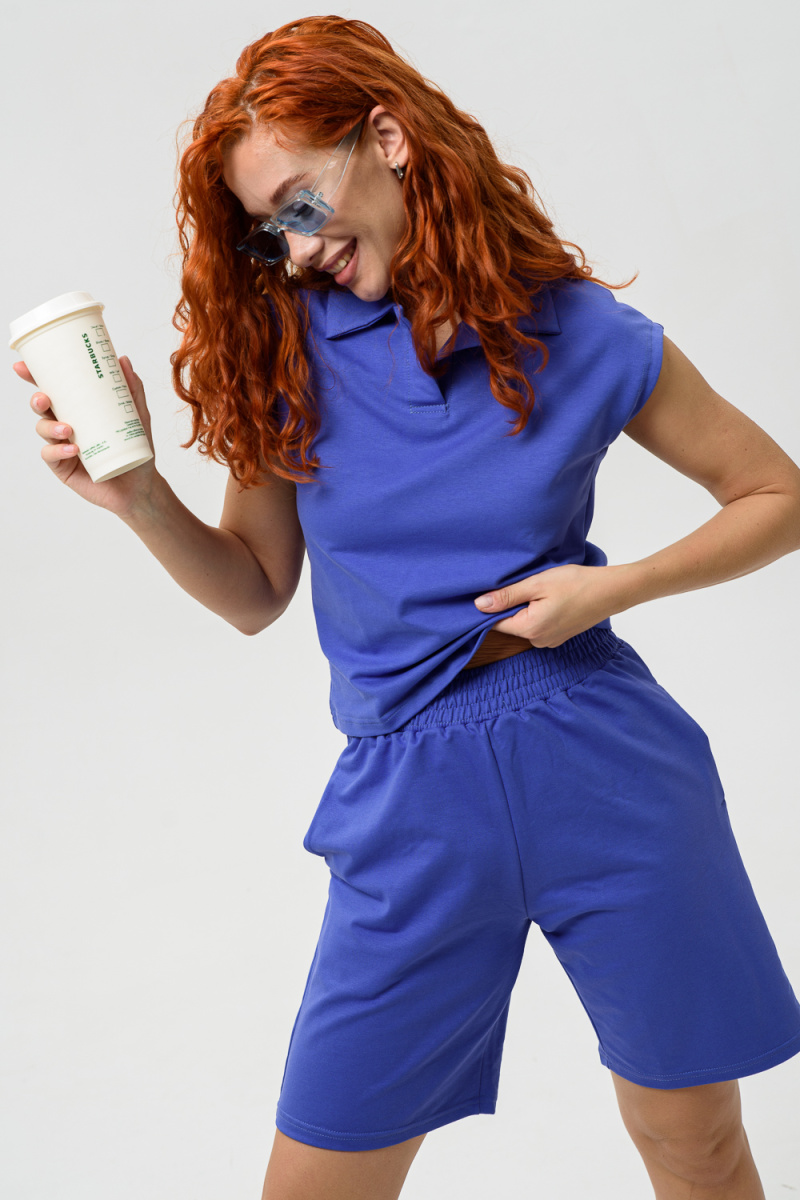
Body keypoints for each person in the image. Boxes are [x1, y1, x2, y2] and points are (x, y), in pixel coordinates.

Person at [15, 15, 800, 1200]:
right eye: (267, 229)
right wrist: (136, 496)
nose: (293, 250)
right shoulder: (285, 349)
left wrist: (614, 587)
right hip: (408, 807)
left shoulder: (578, 329)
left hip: (609, 773)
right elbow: (254, 592)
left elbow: (774, 494)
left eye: (297, 204)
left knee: (692, 1147)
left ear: (385, 138)